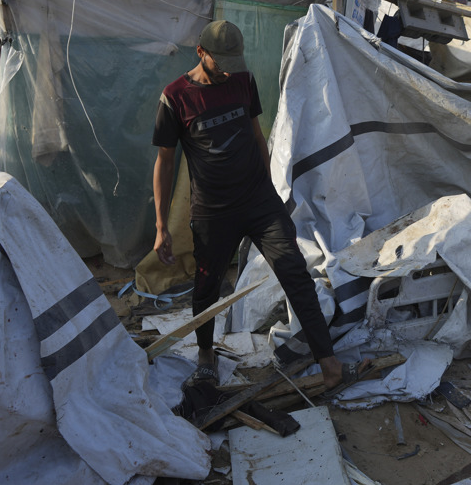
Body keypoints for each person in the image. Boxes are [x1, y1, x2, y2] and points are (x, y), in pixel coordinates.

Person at [152, 20, 364, 390]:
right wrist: (160, 226)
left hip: (259, 201)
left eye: (233, 62)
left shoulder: (243, 81)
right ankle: (206, 356)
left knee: (295, 272)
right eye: (220, 63)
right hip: (213, 212)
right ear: (201, 53)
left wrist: (270, 192)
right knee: (207, 287)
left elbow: (255, 136)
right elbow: (165, 162)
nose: (228, 71)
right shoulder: (176, 98)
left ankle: (329, 365)